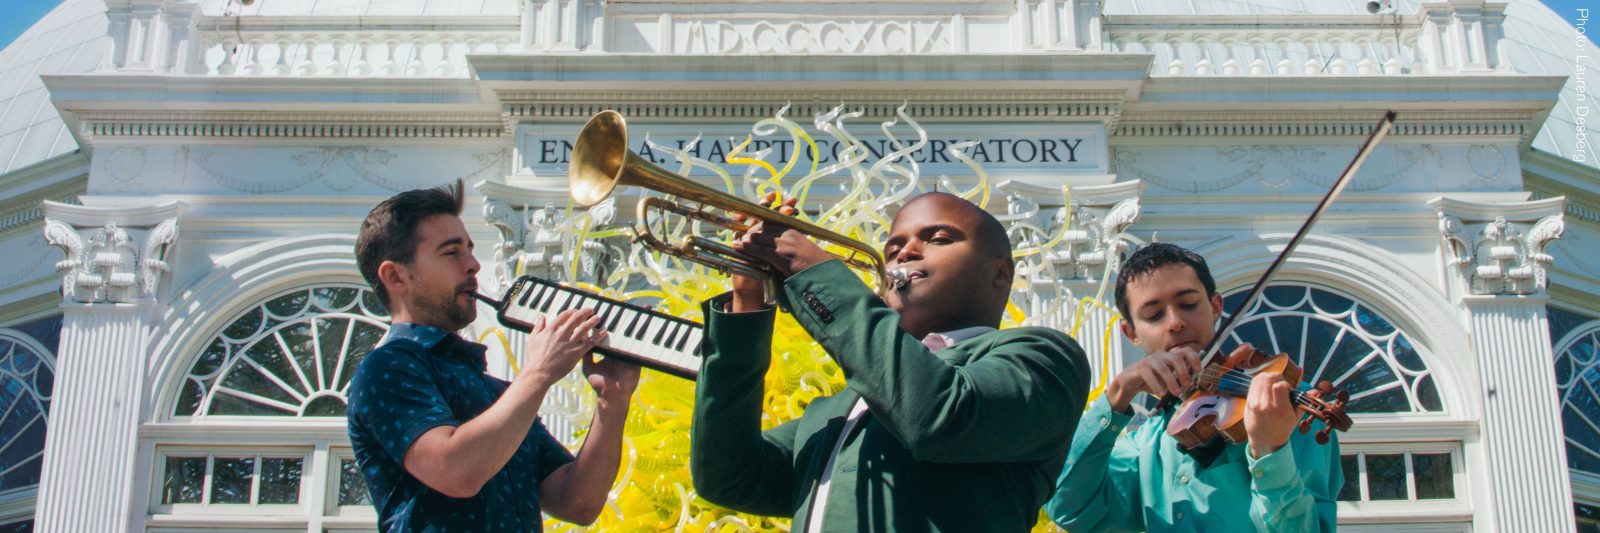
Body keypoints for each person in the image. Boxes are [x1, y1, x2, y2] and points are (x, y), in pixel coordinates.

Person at [690, 191, 1091, 531]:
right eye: (893, 248)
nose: (905, 253)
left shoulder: (1046, 358)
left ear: (1001, 274)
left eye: (937, 238)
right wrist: (746, 303)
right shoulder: (837, 408)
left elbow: (937, 414)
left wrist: (815, 272)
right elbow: (729, 477)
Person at [346, 180, 640, 532]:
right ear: (396, 276)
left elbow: (577, 503)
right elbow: (456, 472)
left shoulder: (496, 391)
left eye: (470, 250)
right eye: (451, 252)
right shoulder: (387, 367)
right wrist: (538, 373)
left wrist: (613, 399)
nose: (473, 265)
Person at [1045, 242, 1343, 532]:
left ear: (1215, 306)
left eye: (1188, 304)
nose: (1175, 322)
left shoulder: (1281, 403)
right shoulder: (1149, 441)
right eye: (1153, 315)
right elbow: (1069, 509)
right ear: (1131, 332)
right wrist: (1118, 393)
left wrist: (1270, 450)